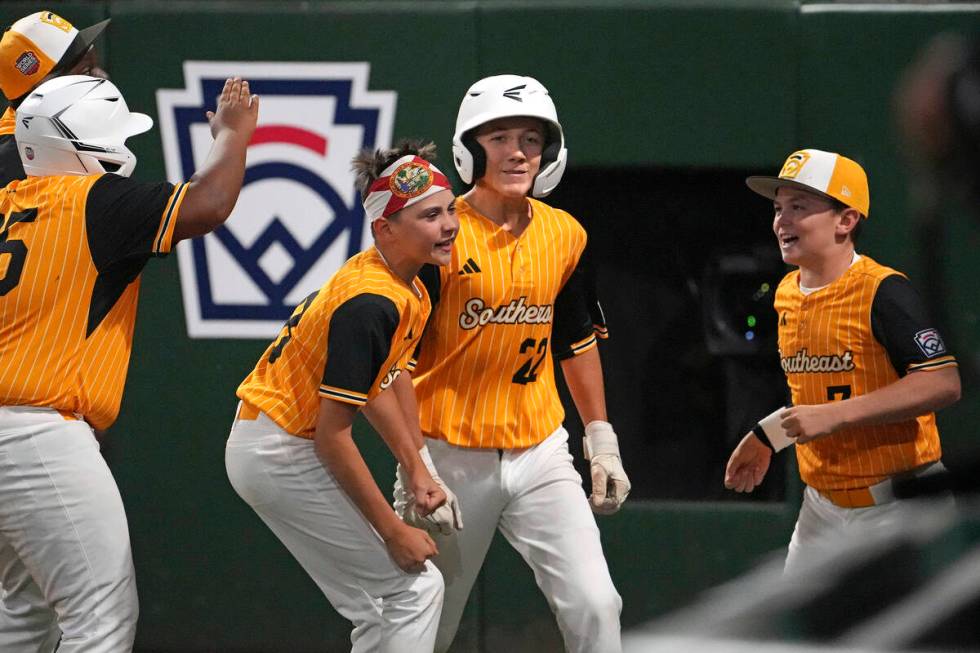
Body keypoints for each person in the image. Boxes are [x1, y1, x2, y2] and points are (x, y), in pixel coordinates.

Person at [0, 74, 257, 651]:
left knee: (24, 614)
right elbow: (209, 203)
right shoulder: (94, 199)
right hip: (34, 435)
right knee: (101, 618)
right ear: (88, 142)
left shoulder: (6, 203)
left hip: (16, 434)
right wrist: (232, 135)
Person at [402, 74, 629, 653]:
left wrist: (601, 438)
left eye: (531, 137)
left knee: (597, 603)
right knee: (425, 622)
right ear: (469, 148)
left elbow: (575, 341)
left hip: (539, 449)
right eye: (499, 137)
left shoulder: (565, 233)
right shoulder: (437, 229)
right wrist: (416, 461)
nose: (517, 151)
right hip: (448, 451)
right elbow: (394, 362)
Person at [225, 141, 462, 653]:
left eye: (450, 209)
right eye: (429, 216)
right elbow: (335, 437)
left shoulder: (405, 285)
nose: (448, 225)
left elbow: (382, 379)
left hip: (281, 443)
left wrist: (417, 465)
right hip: (281, 450)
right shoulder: (370, 301)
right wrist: (392, 529)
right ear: (385, 228)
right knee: (412, 591)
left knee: (386, 609)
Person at [724, 148, 962, 575]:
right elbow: (816, 394)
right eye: (778, 208)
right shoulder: (786, 293)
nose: (782, 220)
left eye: (799, 207)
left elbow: (942, 382)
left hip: (899, 506)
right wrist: (768, 435)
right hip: (822, 509)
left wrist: (836, 415)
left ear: (846, 220)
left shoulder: (883, 290)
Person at [0, 10, 110, 186]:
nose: (103, 77)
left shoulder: (58, 133)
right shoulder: (15, 164)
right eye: (87, 72)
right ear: (42, 90)